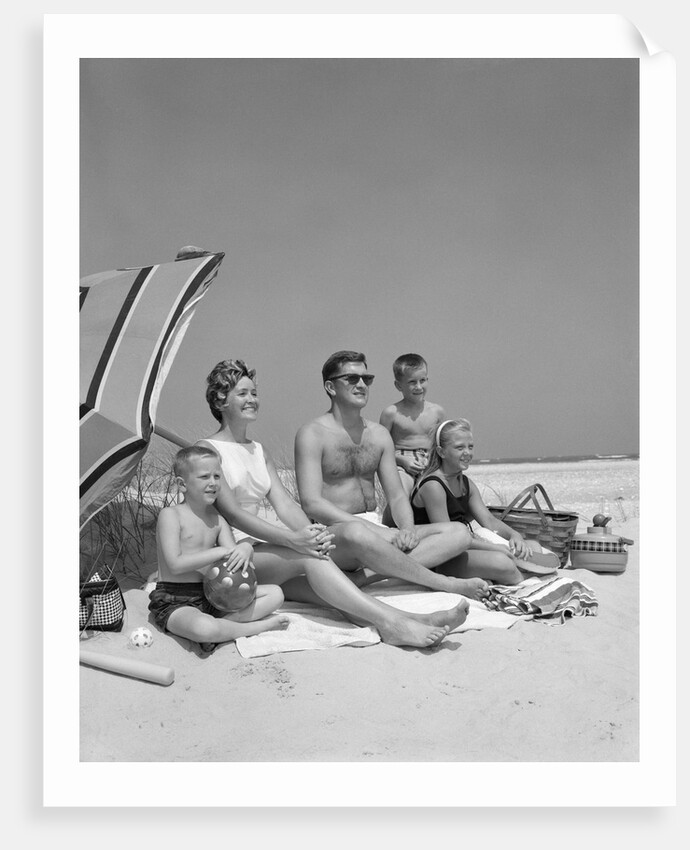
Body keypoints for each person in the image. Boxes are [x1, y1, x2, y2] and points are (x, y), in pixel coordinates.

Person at [197, 359, 472, 649]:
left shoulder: (257, 450)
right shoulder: (207, 450)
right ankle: (401, 619)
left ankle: (408, 620)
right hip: (232, 555)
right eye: (242, 394)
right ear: (220, 400)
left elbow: (286, 506)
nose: (252, 399)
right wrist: (294, 540)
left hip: (262, 551)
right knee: (312, 560)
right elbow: (234, 514)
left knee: (324, 582)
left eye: (254, 393)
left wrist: (314, 535)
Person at [294, 350, 490, 599]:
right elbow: (311, 503)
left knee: (458, 533)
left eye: (367, 378)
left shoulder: (378, 435)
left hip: (376, 529)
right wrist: (377, 531)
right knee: (357, 533)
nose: (362, 385)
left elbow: (397, 496)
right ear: (331, 387)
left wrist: (406, 529)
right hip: (338, 533)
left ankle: (364, 578)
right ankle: (443, 583)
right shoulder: (312, 433)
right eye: (352, 379)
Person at [149, 445, 289, 654]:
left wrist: (245, 548)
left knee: (275, 594)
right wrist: (219, 552)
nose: (213, 483)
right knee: (203, 628)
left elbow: (235, 559)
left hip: (213, 595)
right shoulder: (171, 515)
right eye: (204, 477)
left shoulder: (218, 520)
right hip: (175, 599)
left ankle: (223, 628)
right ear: (182, 484)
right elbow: (175, 564)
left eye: (217, 476)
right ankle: (254, 627)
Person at [410, 419, 560, 584]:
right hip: (442, 559)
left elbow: (489, 521)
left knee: (532, 546)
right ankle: (523, 578)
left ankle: (508, 574)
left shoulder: (465, 483)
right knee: (502, 562)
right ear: (441, 452)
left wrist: (514, 535)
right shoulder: (433, 486)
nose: (467, 452)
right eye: (459, 447)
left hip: (464, 547)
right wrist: (495, 548)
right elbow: (448, 541)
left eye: (470, 447)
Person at [379, 353, 447, 496]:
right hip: (402, 464)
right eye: (412, 382)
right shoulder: (391, 413)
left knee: (440, 492)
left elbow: (445, 443)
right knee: (401, 492)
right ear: (398, 385)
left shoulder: (437, 412)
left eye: (422, 380)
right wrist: (401, 460)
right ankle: (392, 518)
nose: (418, 386)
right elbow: (380, 448)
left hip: (430, 464)